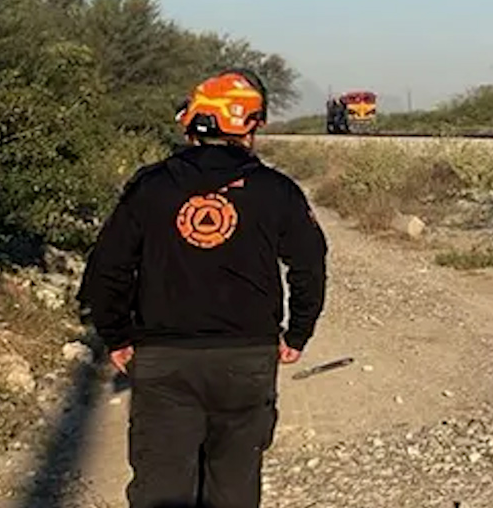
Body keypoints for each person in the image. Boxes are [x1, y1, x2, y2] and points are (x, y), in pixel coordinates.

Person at [76, 68, 329, 508]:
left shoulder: (148, 187)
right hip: (247, 359)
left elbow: (106, 270)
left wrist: (116, 337)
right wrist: (297, 332)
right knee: (233, 487)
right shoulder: (278, 190)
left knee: (162, 489)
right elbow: (310, 264)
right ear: (250, 125)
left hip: (163, 361)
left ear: (192, 122)